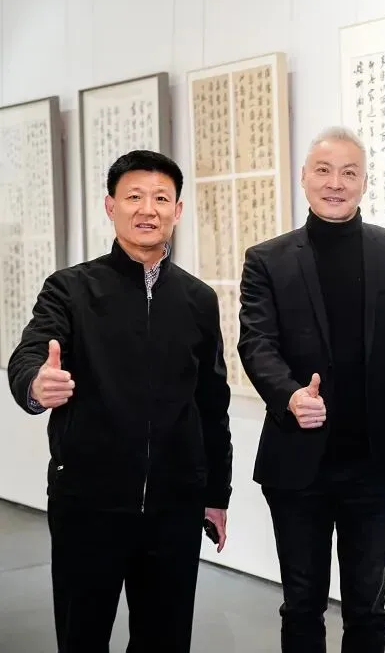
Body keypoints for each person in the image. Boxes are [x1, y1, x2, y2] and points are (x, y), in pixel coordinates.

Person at [6, 149, 233, 653]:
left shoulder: (198, 299)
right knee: (82, 637)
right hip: (89, 503)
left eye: (161, 199)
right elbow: (30, 354)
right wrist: (36, 384)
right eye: (134, 197)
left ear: (177, 210)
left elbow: (211, 404)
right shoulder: (70, 289)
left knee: (165, 640)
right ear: (111, 206)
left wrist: (216, 493)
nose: (147, 209)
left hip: (174, 507)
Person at [237, 126, 385, 653]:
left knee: (368, 604)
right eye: (323, 171)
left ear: (365, 181)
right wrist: (289, 395)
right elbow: (256, 343)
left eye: (349, 172)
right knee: (302, 602)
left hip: (375, 461)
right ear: (304, 177)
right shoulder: (267, 259)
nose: (335, 183)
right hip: (297, 461)